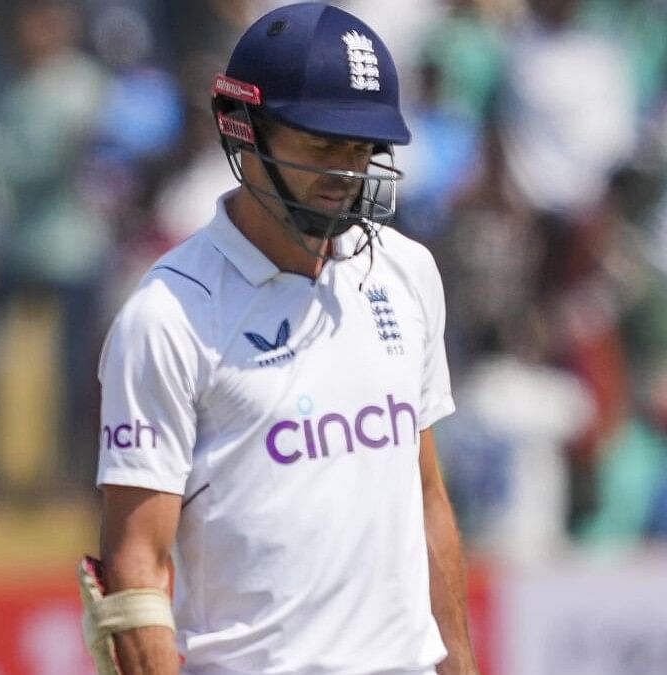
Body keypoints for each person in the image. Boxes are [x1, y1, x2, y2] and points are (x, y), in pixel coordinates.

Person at [85, 4, 478, 674]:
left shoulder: (408, 272)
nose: (345, 175)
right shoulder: (168, 316)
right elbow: (136, 564)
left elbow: (426, 497)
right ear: (244, 132)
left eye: (362, 150)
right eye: (322, 146)